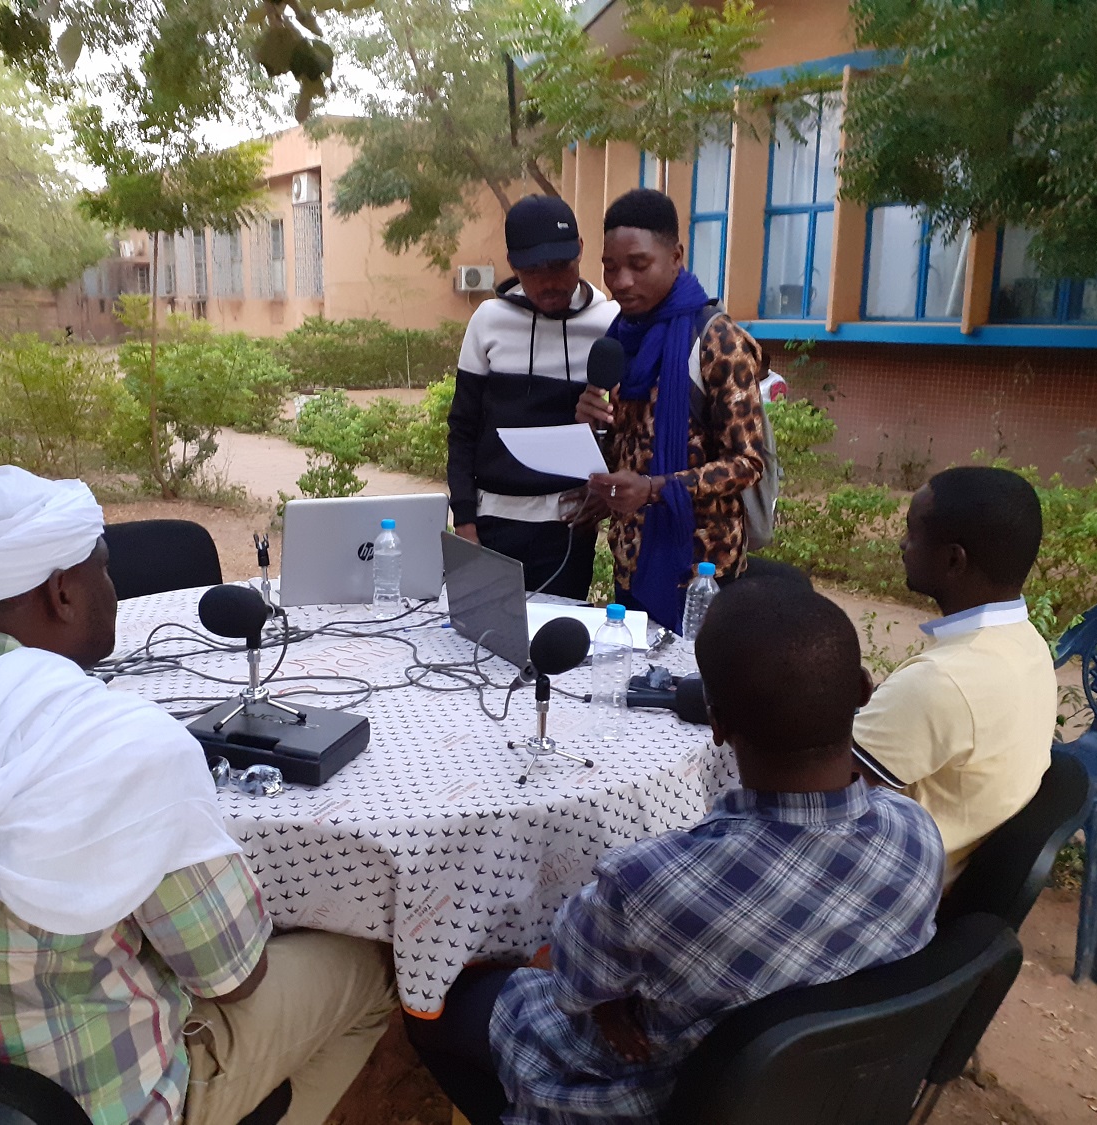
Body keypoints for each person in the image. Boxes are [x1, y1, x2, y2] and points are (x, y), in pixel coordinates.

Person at [0, 466, 397, 1125]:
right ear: (63, 593)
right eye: (103, 567)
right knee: (368, 969)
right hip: (80, 1105)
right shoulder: (117, 744)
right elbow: (234, 976)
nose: (112, 589)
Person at [405, 578, 945, 1125]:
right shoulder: (919, 834)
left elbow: (570, 983)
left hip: (646, 1101)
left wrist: (611, 999)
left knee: (438, 998)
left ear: (715, 723)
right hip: (815, 1095)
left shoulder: (651, 883)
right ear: (862, 690)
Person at [574, 189, 775, 633]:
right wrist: (592, 430)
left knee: (689, 696)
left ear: (676, 257)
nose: (621, 281)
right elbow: (629, 451)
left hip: (702, 570)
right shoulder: (621, 337)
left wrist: (654, 489)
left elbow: (749, 463)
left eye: (638, 265)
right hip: (632, 560)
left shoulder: (717, 341)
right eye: (609, 267)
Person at [853, 465, 1056, 885]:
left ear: (952, 559)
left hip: (887, 886)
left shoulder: (944, 680)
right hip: (946, 864)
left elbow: (817, 786)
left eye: (912, 532)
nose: (902, 545)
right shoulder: (1025, 644)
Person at [448, 194, 619, 599]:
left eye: (560, 265)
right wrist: (465, 524)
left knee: (554, 653)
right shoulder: (488, 321)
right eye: (532, 269)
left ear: (580, 250)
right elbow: (462, 430)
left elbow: (628, 432)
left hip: (567, 529)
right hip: (490, 524)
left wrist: (607, 491)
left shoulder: (610, 324)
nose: (549, 282)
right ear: (512, 264)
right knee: (482, 649)